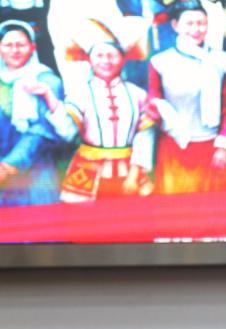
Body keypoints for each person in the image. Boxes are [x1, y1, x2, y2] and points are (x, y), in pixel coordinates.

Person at [41, 19, 160, 201]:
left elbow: (145, 136)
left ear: (123, 59)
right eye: (99, 55)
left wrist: (135, 174)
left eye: (112, 55)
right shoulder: (79, 94)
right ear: (89, 59)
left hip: (130, 171)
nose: (106, 61)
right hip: (87, 172)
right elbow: (68, 133)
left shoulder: (138, 95)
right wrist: (50, 98)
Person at [148, 0, 226, 194]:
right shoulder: (160, 63)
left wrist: (224, 147)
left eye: (201, 23)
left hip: (212, 148)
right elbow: (153, 103)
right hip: (174, 147)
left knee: (213, 208)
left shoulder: (224, 62)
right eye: (189, 24)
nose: (196, 29)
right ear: (175, 25)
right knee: (175, 207)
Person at [0, 19, 65, 205]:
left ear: (32, 47)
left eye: (21, 45)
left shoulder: (46, 80)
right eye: (8, 45)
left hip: (36, 169)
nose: (14, 50)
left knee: (38, 219)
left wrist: (11, 163)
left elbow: (44, 129)